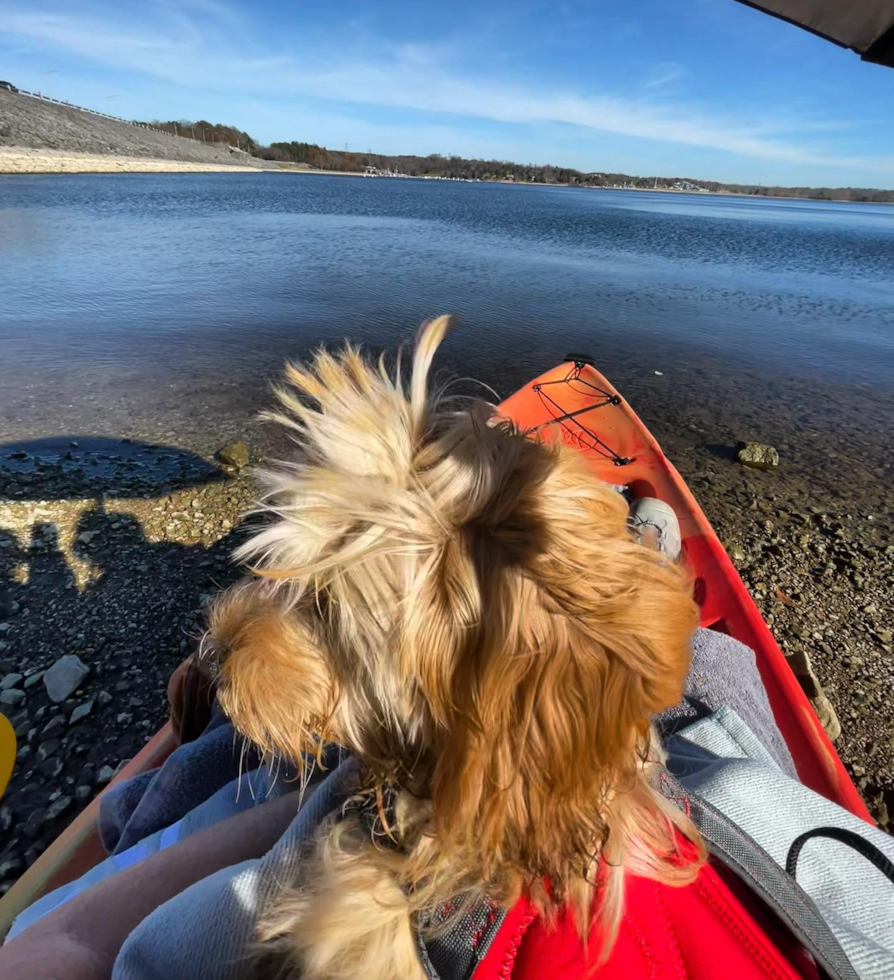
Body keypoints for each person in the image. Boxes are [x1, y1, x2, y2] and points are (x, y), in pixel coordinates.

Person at [2, 320, 893, 980]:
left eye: (313, 603)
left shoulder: (335, 890)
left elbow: (63, 949)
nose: (235, 631)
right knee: (708, 670)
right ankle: (641, 548)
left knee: (240, 761)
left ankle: (637, 548)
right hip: (695, 813)